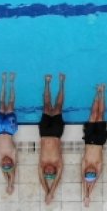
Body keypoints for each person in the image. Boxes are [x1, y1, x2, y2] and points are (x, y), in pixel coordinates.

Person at [38, 73, 66, 204]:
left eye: (46, 172)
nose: (48, 170)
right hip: (56, 133)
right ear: (55, 170)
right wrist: (51, 192)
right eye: (51, 172)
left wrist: (46, 191)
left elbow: (41, 178)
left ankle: (47, 82)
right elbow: (58, 178)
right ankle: (61, 83)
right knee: (58, 107)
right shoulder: (58, 164)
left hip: (44, 133)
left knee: (46, 106)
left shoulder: (42, 164)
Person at [81, 83, 107, 207]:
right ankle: (103, 92)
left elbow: (84, 181)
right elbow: (93, 181)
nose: (90, 171)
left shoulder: (85, 163)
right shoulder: (98, 164)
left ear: (85, 172)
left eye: (88, 173)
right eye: (93, 173)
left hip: (88, 139)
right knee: (100, 116)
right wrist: (89, 194)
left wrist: (86, 194)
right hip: (99, 140)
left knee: (93, 115)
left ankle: (97, 92)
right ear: (95, 173)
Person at [0, 72, 18, 194]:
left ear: (1, 163)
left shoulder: (0, 156)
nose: (6, 161)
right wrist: (10, 184)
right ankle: (12, 82)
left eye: (4, 164)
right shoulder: (13, 154)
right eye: (9, 163)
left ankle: (3, 82)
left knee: (1, 105)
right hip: (9, 129)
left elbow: (5, 171)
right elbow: (11, 172)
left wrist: (7, 183)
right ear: (12, 162)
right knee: (10, 106)